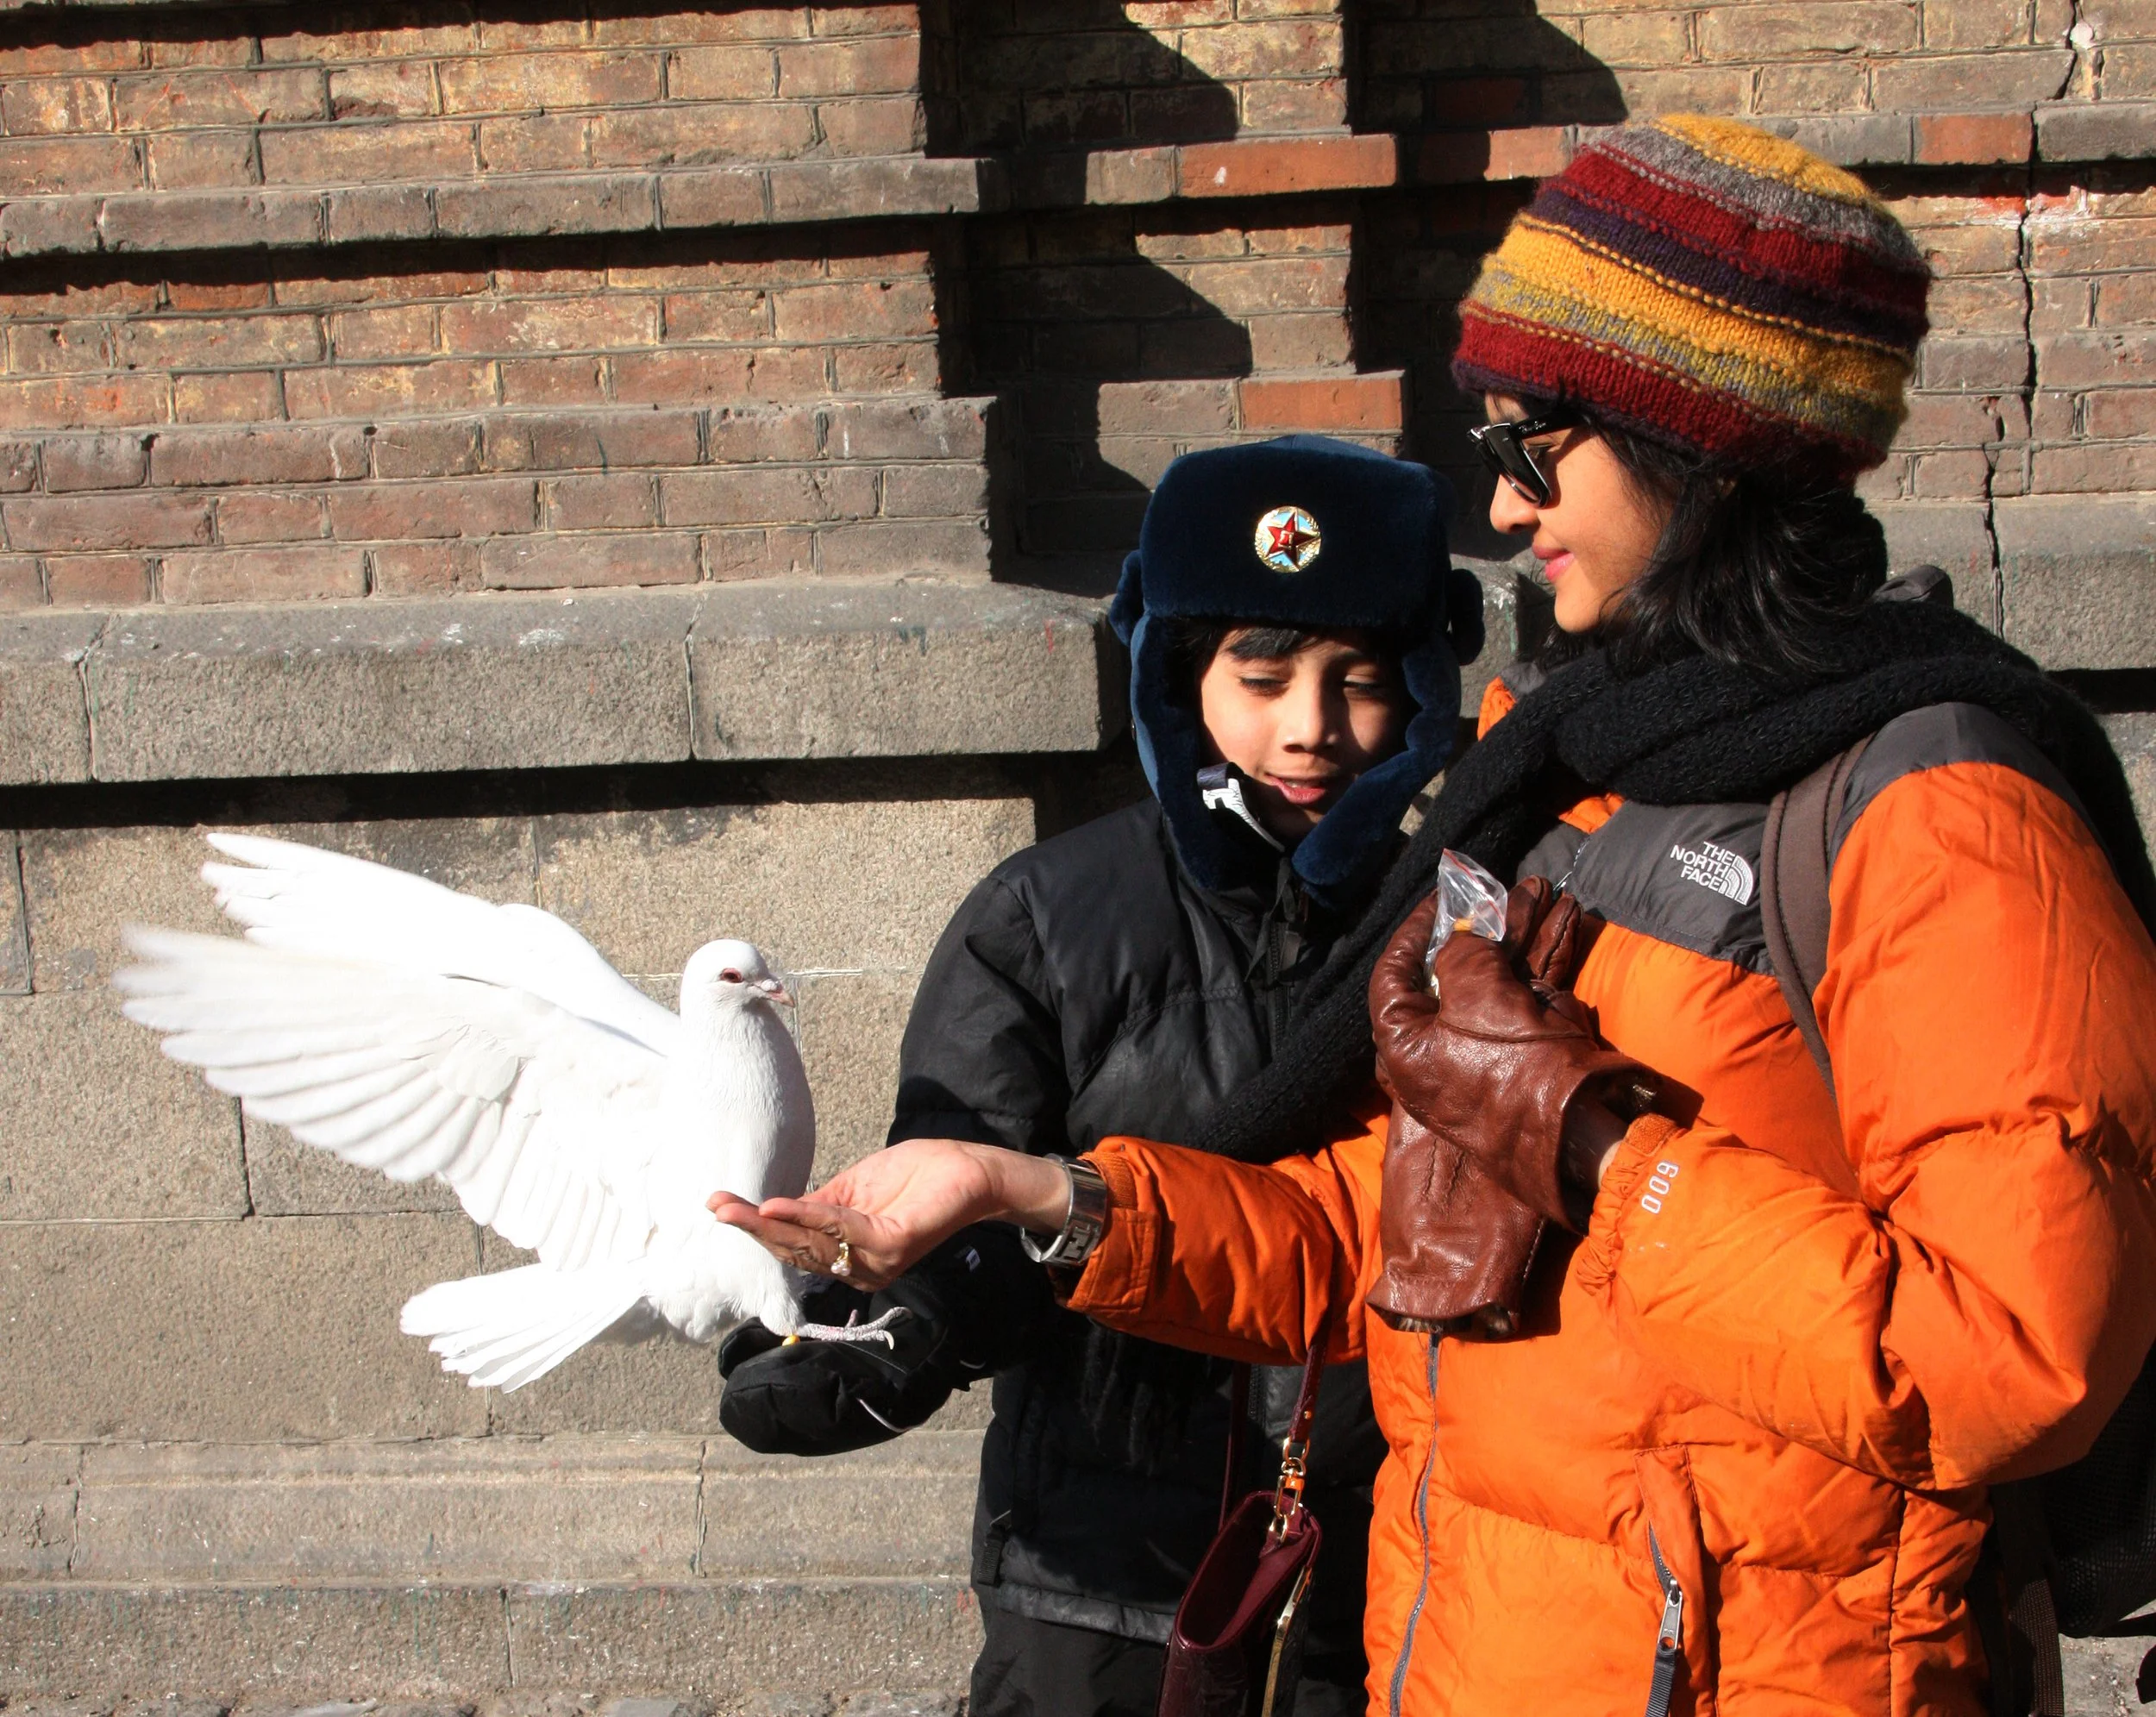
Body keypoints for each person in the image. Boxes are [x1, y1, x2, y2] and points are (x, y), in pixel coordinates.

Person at [714, 116, 2156, 1717]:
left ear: (1693, 439)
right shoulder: (1582, 772)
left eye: (1535, 437)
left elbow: (2013, 1354)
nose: (1503, 489)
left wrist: (1596, 1141)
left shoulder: (1942, 809)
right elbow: (1380, 1233)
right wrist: (1031, 1188)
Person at [715, 433, 1486, 1717]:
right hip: (1102, 1578)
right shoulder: (1043, 919)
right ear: (1183, 675)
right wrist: (892, 1333)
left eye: (1358, 680)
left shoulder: (1472, 925)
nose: (1310, 727)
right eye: (1263, 674)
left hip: (1390, 1572)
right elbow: (958, 1194)